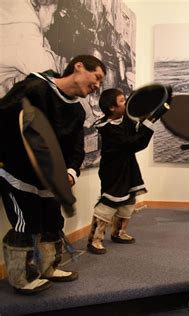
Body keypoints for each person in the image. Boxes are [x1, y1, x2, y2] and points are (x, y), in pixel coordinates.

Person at [0, 55, 106, 294]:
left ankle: (48, 267)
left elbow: (76, 148)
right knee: (25, 225)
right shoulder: (33, 88)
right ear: (78, 66)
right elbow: (6, 120)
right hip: (18, 175)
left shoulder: (77, 112)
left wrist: (69, 172)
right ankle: (20, 277)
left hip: (51, 180)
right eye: (97, 77)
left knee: (52, 223)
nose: (98, 85)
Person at [87, 88, 156, 255]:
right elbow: (133, 143)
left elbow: (136, 130)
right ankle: (94, 239)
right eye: (122, 101)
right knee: (109, 202)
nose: (126, 103)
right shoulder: (107, 128)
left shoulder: (125, 120)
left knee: (129, 200)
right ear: (112, 108)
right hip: (113, 170)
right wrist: (148, 124)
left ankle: (118, 232)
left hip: (128, 166)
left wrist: (147, 118)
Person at [0, 0, 64, 97]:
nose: (53, 21)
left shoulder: (16, 8)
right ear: (44, 6)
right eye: (53, 13)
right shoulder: (24, 29)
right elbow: (49, 73)